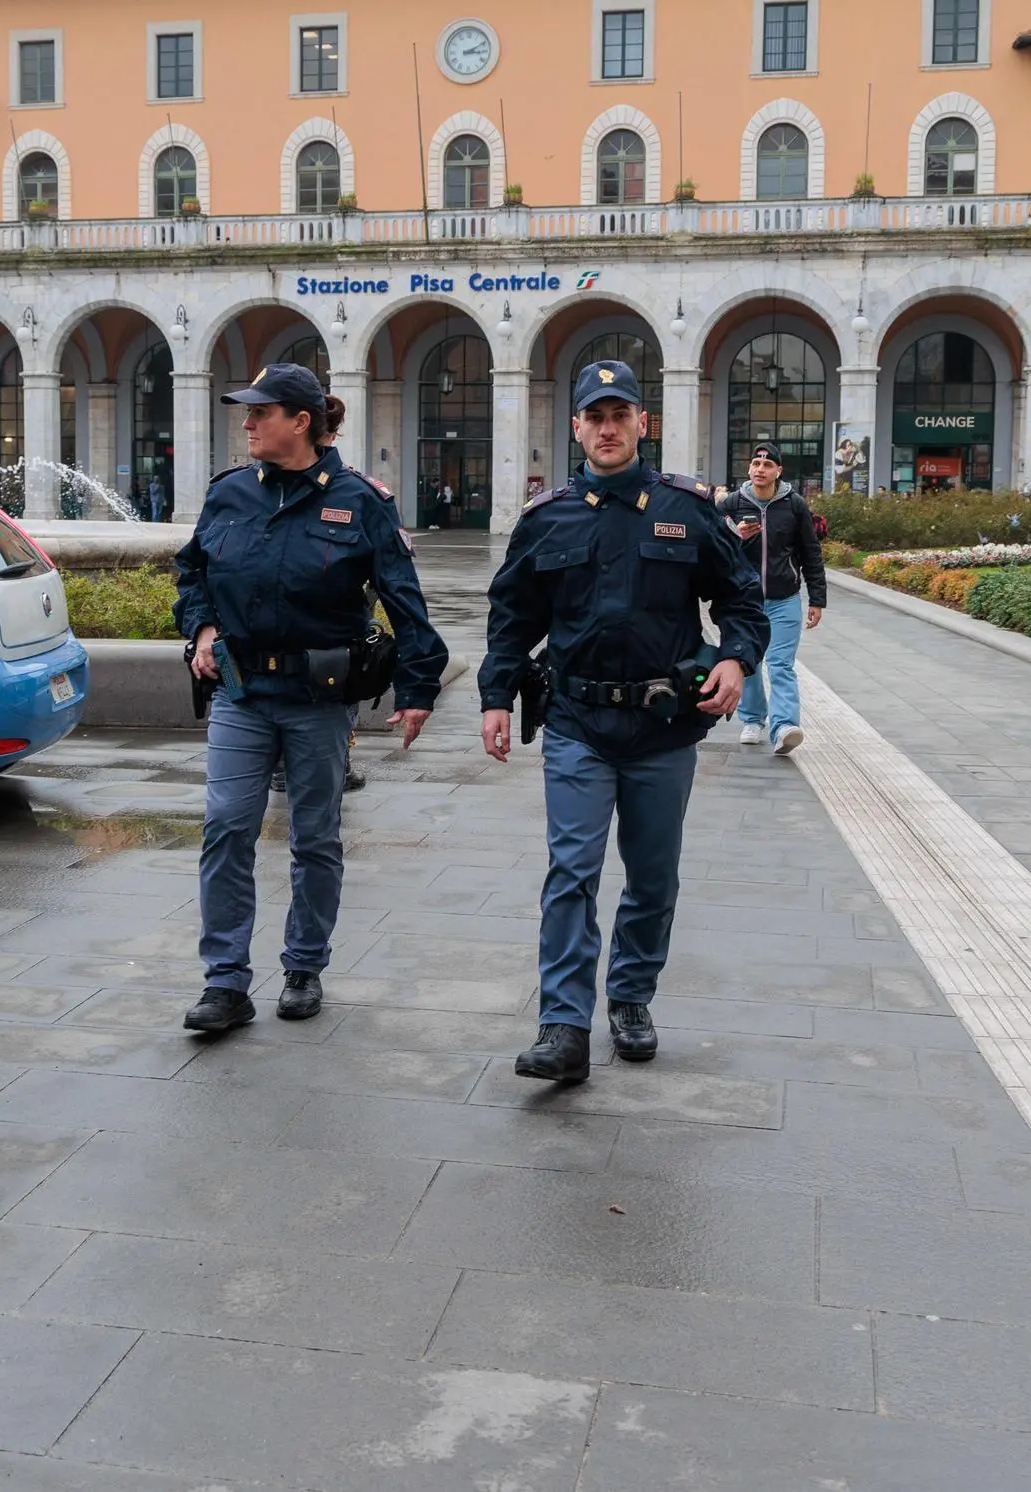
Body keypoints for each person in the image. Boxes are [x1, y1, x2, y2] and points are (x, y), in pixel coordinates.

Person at [480, 361, 767, 1083]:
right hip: (577, 721)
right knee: (570, 871)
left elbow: (741, 600)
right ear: (575, 426)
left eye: (620, 415)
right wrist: (493, 696)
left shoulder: (688, 510)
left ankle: (631, 998)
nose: (607, 429)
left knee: (651, 875)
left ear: (643, 422)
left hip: (663, 728)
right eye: (593, 417)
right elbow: (511, 620)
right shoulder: (547, 518)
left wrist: (735, 660)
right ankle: (563, 1026)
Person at [176, 364, 448, 1031]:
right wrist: (203, 626)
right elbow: (192, 571)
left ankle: (303, 966)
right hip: (241, 692)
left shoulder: (360, 501)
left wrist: (416, 688)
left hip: (317, 700)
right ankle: (225, 982)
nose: (245, 424)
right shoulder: (229, 494)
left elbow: (403, 603)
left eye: (258, 413)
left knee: (315, 838)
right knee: (226, 828)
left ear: (300, 421)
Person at [716, 443, 827, 756]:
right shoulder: (732, 504)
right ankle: (752, 719)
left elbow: (810, 552)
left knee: (780, 664)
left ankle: (785, 727)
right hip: (744, 600)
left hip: (784, 599)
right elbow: (713, 549)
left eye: (767, 465)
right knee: (748, 662)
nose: (760, 469)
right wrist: (737, 535)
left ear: (778, 471)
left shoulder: (794, 505)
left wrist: (817, 598)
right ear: (749, 469)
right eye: (755, 463)